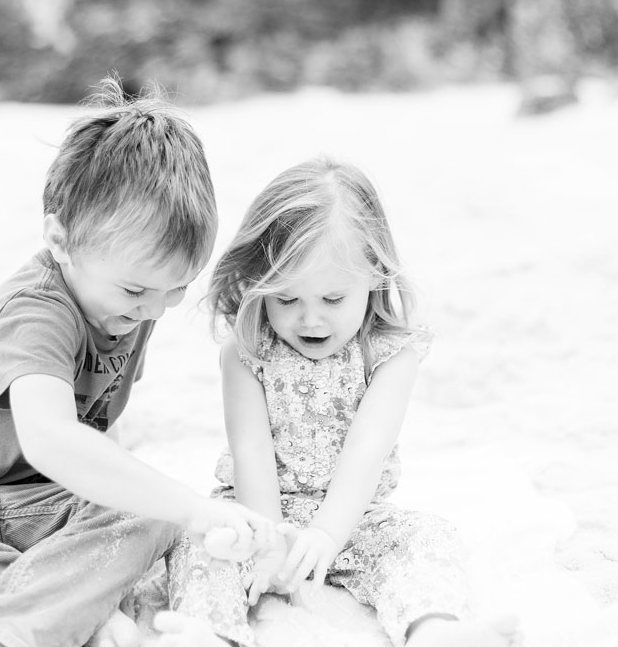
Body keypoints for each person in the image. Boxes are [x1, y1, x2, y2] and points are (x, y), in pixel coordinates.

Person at [0, 78, 273, 647]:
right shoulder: (34, 312)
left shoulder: (129, 302)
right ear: (60, 240)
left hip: (47, 514)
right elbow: (53, 439)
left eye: (177, 288)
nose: (155, 308)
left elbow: (98, 444)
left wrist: (169, 509)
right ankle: (35, 620)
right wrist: (193, 510)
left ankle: (55, 607)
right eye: (137, 290)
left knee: (148, 514)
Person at [157, 158, 520, 647]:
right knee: (196, 542)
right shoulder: (247, 350)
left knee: (427, 537)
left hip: (354, 516)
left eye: (332, 299)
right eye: (286, 299)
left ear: (373, 274)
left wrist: (326, 536)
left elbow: (366, 453)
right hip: (256, 509)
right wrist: (268, 542)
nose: (310, 320)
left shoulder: (390, 353)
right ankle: (209, 631)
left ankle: (434, 628)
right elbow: (251, 451)